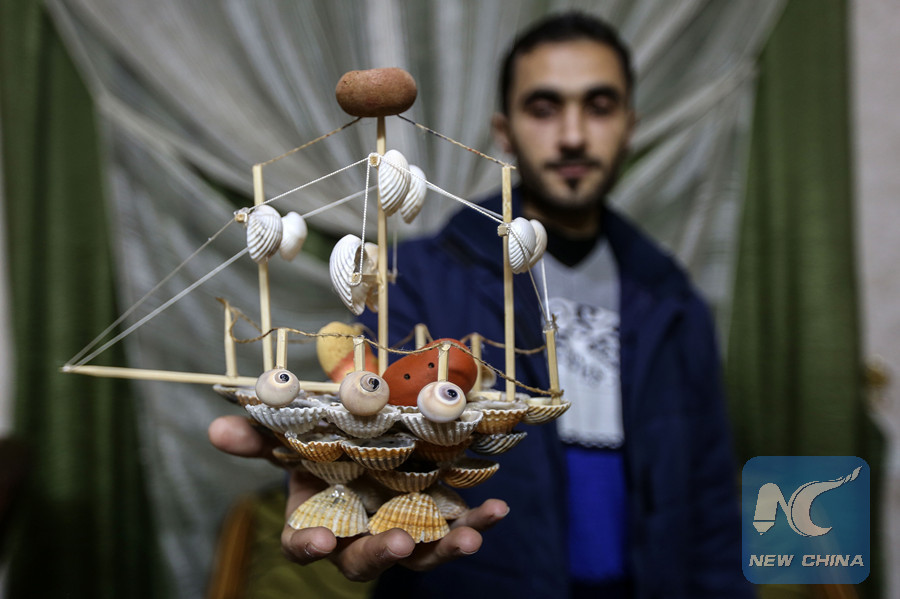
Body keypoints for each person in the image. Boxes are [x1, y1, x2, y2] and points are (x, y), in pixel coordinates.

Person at [209, 11, 752, 598]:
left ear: (630, 125)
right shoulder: (412, 281)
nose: (572, 134)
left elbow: (710, 499)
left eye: (599, 106)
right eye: (544, 108)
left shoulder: (673, 301)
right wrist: (331, 473)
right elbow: (368, 421)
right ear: (504, 132)